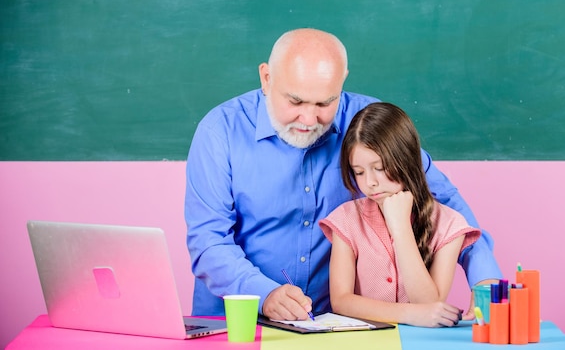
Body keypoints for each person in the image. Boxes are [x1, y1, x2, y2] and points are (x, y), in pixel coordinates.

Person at [184, 28, 502, 321]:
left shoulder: (368, 124)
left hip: (335, 326)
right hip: (237, 320)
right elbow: (209, 241)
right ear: (266, 78)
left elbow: (442, 199)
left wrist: (484, 277)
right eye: (295, 101)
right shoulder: (219, 133)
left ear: (342, 81)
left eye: (325, 102)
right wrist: (265, 294)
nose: (309, 118)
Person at [319, 102, 480, 327]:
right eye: (359, 172)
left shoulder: (449, 224)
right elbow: (341, 302)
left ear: (405, 159)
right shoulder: (346, 219)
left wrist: (400, 227)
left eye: (380, 167)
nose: (370, 182)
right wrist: (408, 314)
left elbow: (428, 302)